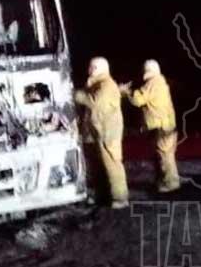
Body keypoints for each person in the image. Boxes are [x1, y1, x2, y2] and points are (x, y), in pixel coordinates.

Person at [74, 57, 129, 208]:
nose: (89, 70)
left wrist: (77, 95)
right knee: (97, 167)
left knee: (112, 165)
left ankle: (120, 198)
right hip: (95, 132)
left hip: (107, 133)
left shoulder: (106, 85)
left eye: (93, 67)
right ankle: (102, 196)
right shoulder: (95, 84)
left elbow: (94, 103)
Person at [120, 59, 180, 193]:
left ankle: (170, 183)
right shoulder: (160, 82)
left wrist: (127, 92)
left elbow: (138, 100)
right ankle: (164, 181)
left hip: (161, 127)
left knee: (165, 157)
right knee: (165, 156)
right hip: (167, 125)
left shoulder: (153, 83)